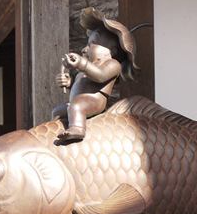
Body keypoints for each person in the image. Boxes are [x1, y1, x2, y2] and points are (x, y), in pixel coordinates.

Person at [53, 7, 141, 144]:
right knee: (57, 111)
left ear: (111, 50)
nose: (85, 49)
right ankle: (56, 130)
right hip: (78, 100)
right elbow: (80, 84)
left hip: (94, 101)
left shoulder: (112, 64)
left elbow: (100, 76)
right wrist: (68, 82)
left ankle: (77, 129)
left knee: (76, 107)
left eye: (92, 43)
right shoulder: (87, 68)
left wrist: (82, 64)